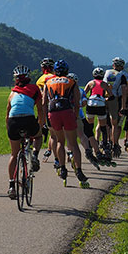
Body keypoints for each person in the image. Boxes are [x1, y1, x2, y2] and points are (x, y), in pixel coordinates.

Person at [43, 60, 89, 188]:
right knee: (73, 143)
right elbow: (76, 100)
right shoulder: (71, 82)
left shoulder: (48, 82)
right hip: (67, 111)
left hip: (53, 113)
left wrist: (47, 117)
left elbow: (43, 102)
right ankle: (79, 171)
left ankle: (62, 168)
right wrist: (74, 115)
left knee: (59, 142)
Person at [6, 64, 46, 199]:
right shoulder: (35, 89)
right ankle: (34, 155)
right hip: (29, 120)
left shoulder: (12, 92)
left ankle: (11, 185)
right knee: (38, 137)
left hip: (13, 122)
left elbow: (7, 114)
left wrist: (9, 130)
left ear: (16, 79)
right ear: (28, 77)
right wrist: (40, 126)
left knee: (14, 154)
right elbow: (40, 110)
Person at [69, 72, 102, 170]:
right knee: (88, 134)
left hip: (68, 115)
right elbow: (84, 103)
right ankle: (96, 152)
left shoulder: (65, 90)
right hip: (80, 116)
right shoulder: (81, 90)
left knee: (70, 137)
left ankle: (69, 154)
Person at [84, 67, 113, 164]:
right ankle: (105, 146)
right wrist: (105, 99)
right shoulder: (105, 84)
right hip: (100, 105)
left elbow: (84, 94)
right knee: (103, 127)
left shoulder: (90, 83)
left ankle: (89, 146)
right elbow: (111, 95)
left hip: (91, 105)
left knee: (90, 127)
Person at [103, 57, 128, 158]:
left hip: (105, 99)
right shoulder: (122, 75)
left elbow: (103, 85)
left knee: (105, 124)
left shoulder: (107, 73)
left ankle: (105, 142)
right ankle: (115, 144)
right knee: (116, 124)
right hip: (115, 100)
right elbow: (124, 92)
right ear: (122, 66)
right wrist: (123, 106)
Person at [36, 57, 57, 165]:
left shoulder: (39, 80)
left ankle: (40, 153)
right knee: (57, 134)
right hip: (57, 107)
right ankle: (60, 156)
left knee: (48, 133)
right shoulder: (56, 77)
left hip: (44, 108)